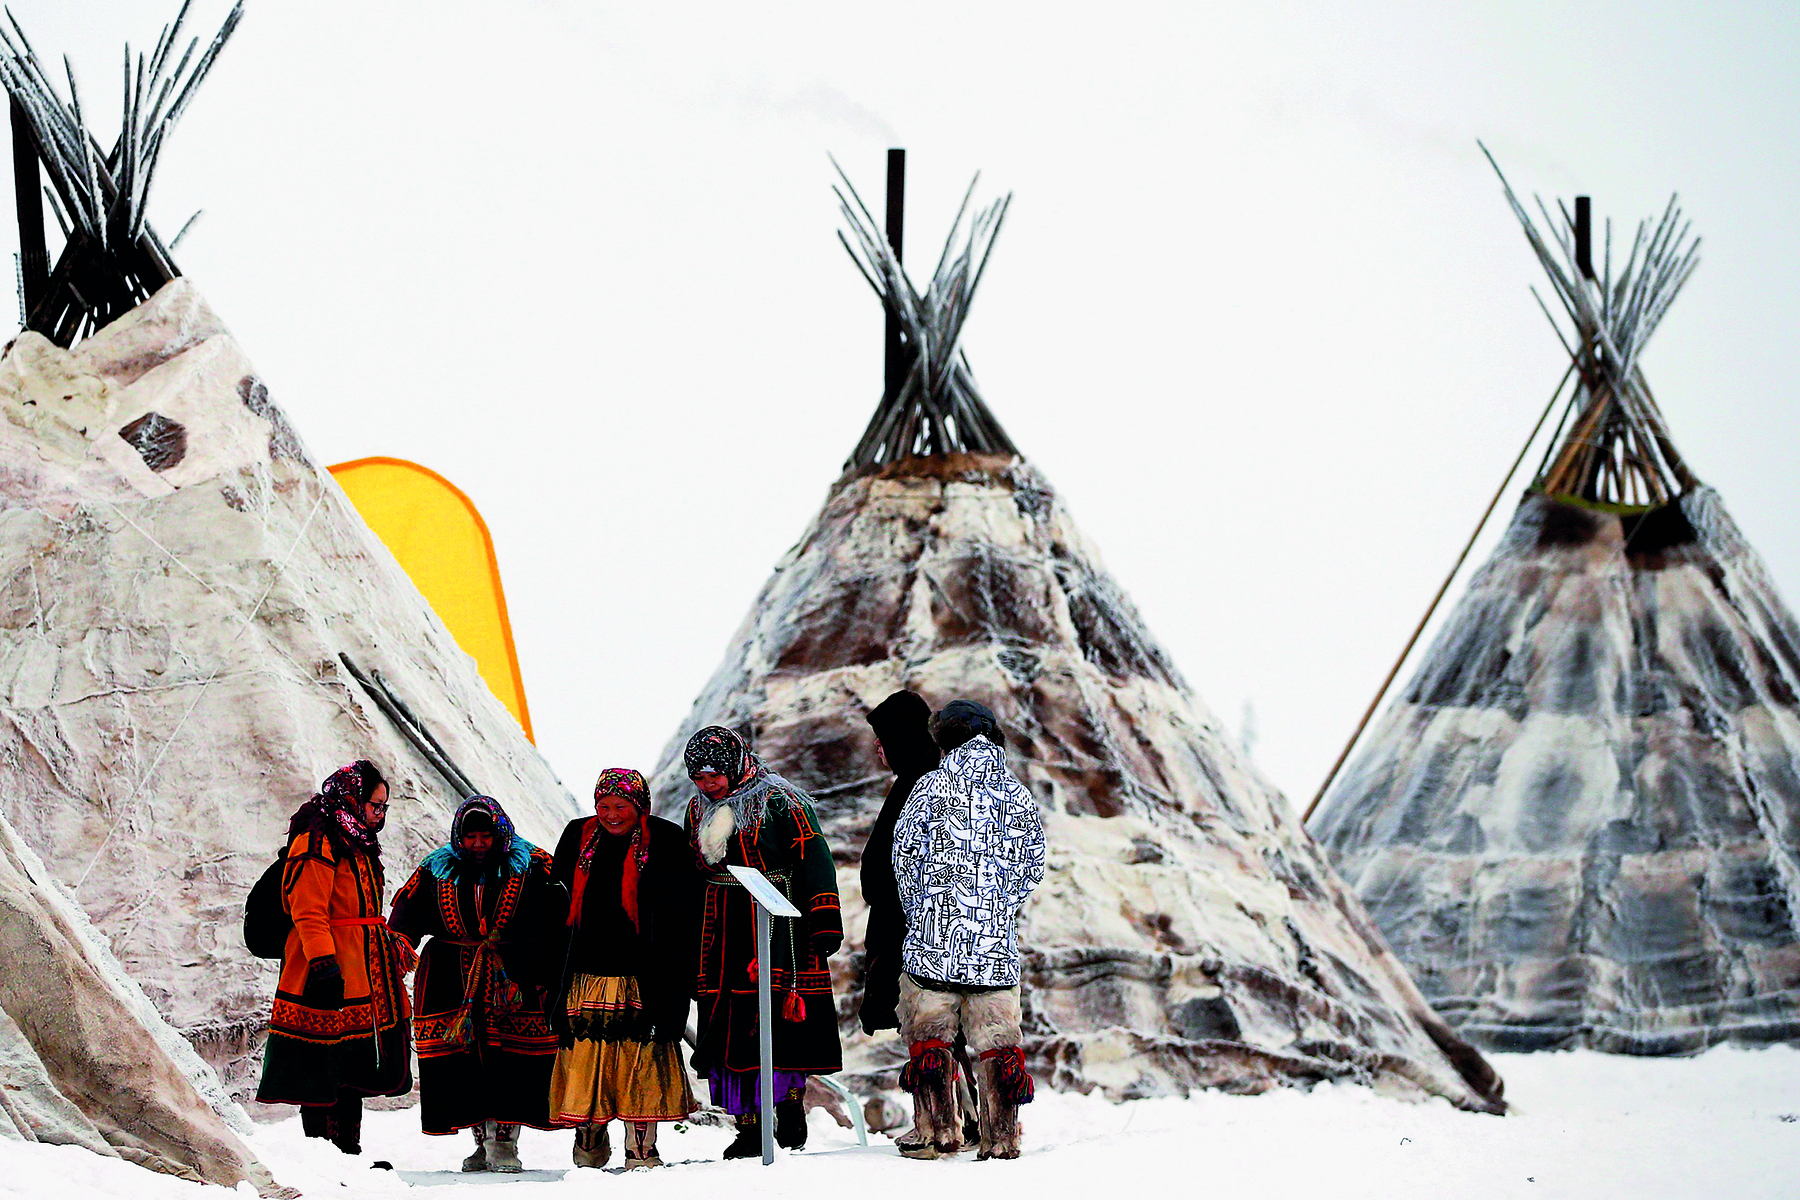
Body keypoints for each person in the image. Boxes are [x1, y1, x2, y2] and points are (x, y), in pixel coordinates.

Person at [891, 701, 1046, 1160]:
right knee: (998, 1040)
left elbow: (904, 860)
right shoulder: (1016, 794)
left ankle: (940, 1133)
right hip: (993, 948)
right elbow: (1031, 864)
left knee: (931, 1032)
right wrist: (997, 909)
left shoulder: (928, 790)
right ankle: (1002, 1138)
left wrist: (927, 911)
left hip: (932, 943)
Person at [682, 726, 842, 1159]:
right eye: (698, 777)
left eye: (713, 775)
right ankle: (749, 1127)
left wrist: (824, 917)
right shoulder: (697, 809)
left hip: (778, 922)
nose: (706, 784)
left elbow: (813, 854)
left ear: (734, 764)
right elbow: (692, 872)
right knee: (727, 1024)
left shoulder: (781, 801)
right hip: (721, 929)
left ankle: (789, 1104)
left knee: (776, 1019)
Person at [388, 795, 564, 1173]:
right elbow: (407, 911)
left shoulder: (533, 865)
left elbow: (556, 919)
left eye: (486, 836)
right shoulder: (436, 868)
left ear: (499, 832)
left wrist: (548, 972)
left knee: (510, 1058)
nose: (479, 844)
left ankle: (506, 1141)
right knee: (466, 1060)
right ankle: (480, 1142)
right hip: (451, 974)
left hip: (515, 974)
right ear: (459, 837)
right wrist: (400, 941)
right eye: (471, 838)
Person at [255, 760, 413, 1155]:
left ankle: (348, 1150)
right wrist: (324, 964)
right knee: (320, 1064)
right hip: (325, 967)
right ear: (353, 798)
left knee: (348, 1065)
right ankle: (324, 1154)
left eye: (383, 808)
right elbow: (308, 909)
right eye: (375, 805)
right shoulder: (317, 841)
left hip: (359, 970)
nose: (379, 814)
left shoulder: (355, 840)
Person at [547, 769, 700, 1169]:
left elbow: (684, 915)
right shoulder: (577, 837)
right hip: (587, 974)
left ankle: (641, 1150)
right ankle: (590, 1144)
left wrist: (679, 978)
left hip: (643, 977)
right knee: (586, 1064)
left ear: (640, 806)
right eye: (603, 806)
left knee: (642, 1062)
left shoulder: (665, 842)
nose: (611, 815)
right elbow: (556, 903)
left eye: (621, 807)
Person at [858, 690, 940, 1035]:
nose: (879, 748)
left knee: (932, 1043)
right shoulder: (921, 778)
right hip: (922, 940)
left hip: (913, 942)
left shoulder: (918, 786)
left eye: (885, 739)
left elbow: (891, 870)